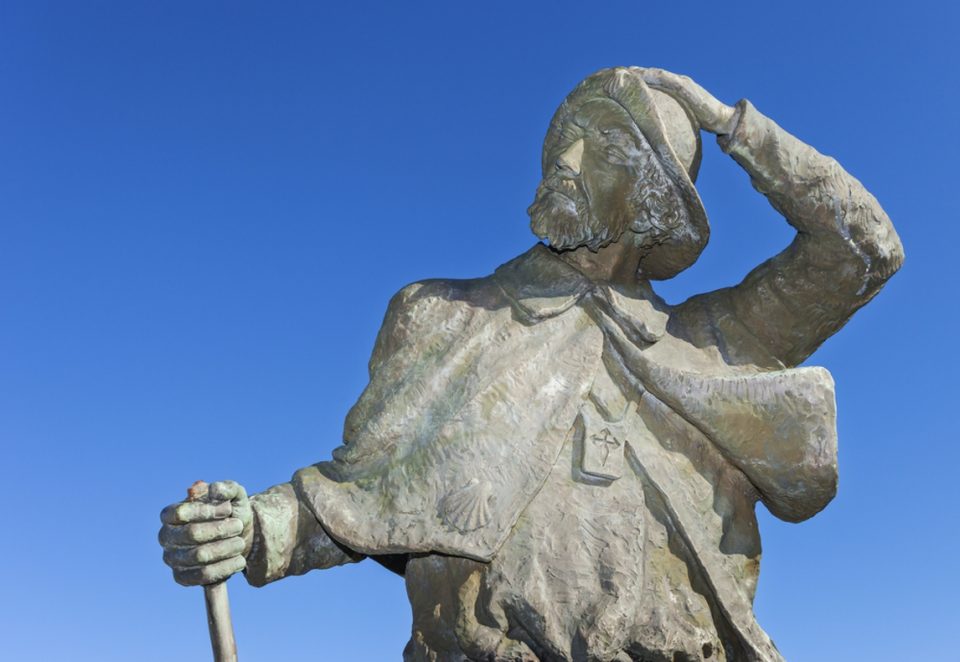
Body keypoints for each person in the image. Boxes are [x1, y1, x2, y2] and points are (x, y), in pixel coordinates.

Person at [159, 67, 903, 661]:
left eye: (606, 146)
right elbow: (360, 496)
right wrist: (253, 526)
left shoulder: (713, 342)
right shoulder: (442, 317)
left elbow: (864, 250)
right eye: (565, 137)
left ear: (655, 202)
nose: (566, 159)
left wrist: (732, 125)